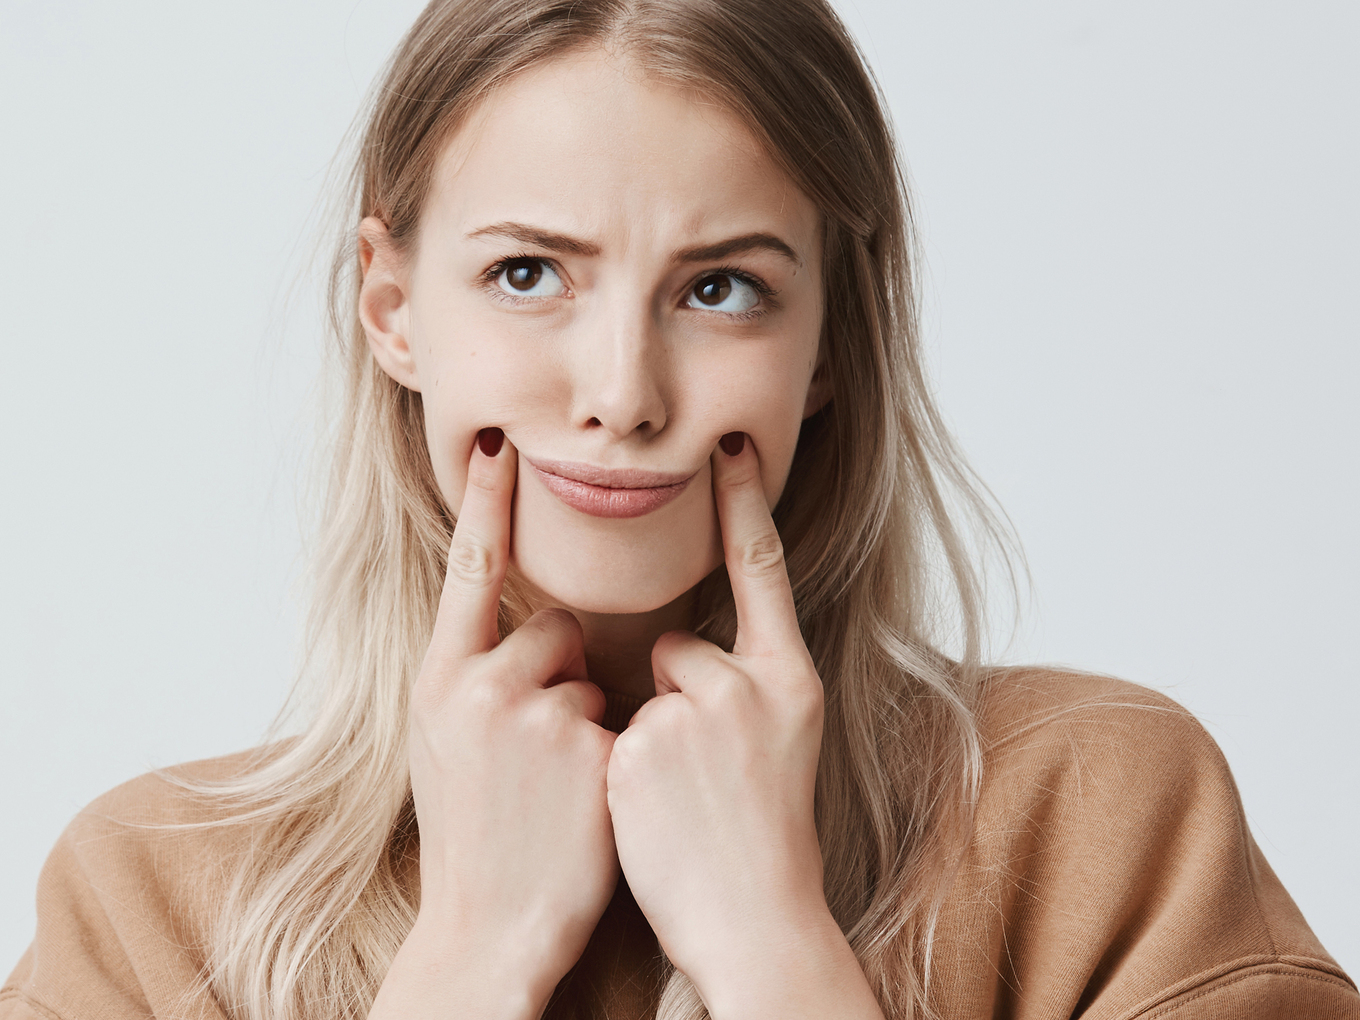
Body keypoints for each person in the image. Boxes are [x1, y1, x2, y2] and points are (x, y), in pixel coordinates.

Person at [3, 1, 1356, 1018]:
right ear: (393, 305)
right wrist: (470, 949)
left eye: (722, 288)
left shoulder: (1102, 821)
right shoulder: (150, 913)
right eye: (529, 273)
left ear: (830, 341)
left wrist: (776, 949)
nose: (624, 394)